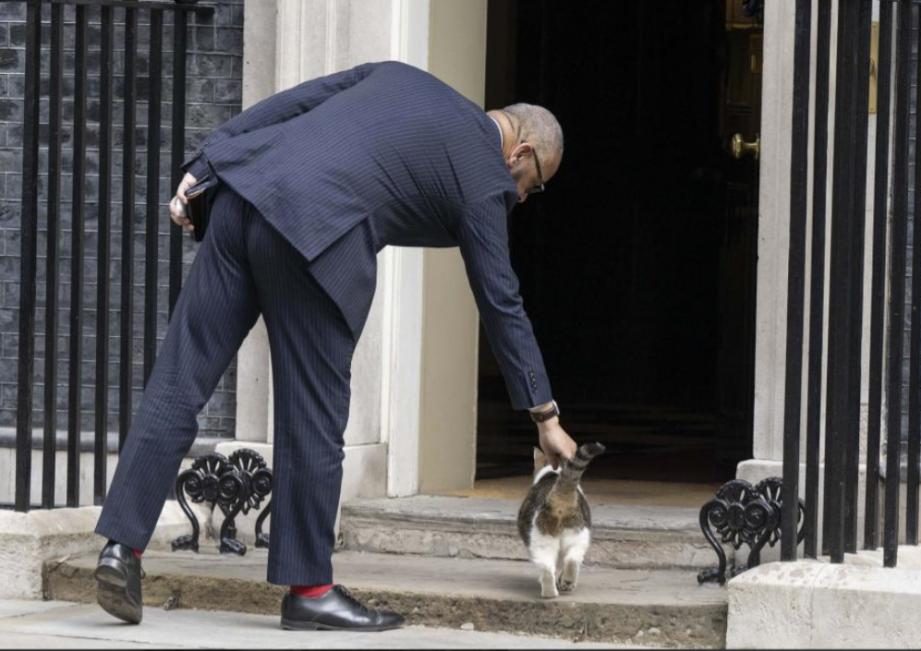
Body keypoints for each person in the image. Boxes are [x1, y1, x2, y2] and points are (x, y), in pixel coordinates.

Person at [92, 60, 577, 631]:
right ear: (519, 154)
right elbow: (501, 300)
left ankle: (121, 548)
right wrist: (545, 415)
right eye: (534, 186)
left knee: (181, 378)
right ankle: (310, 590)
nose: (523, 198)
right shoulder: (485, 175)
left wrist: (207, 162)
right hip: (315, 238)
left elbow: (295, 101)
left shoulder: (402, 77)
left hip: (245, 194)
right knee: (313, 416)